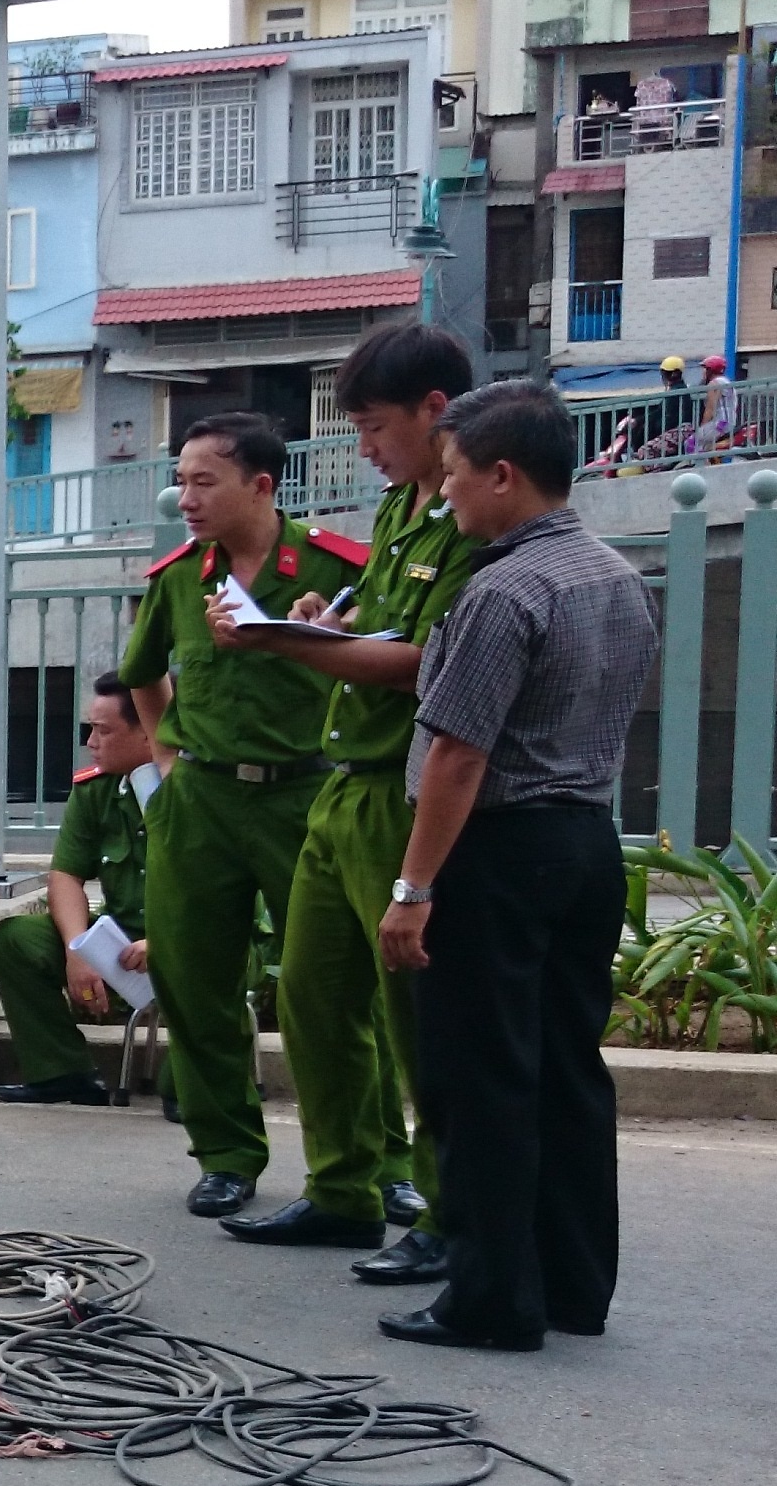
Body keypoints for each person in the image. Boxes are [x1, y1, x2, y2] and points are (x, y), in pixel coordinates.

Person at [374, 381, 658, 1352]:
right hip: (586, 841)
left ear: (502, 475)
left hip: (498, 850)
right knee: (568, 1067)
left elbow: (458, 753)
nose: (446, 496)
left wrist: (413, 889)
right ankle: (575, 1283)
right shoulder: (617, 577)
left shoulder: (501, 590)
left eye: (453, 479)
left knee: (481, 1073)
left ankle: (492, 1297)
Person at [205, 324, 478, 1282]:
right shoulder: (406, 506)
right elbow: (378, 613)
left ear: (434, 413)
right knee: (313, 995)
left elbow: (425, 666)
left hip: (399, 791)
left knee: (414, 1016)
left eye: (371, 426)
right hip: (342, 783)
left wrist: (281, 642)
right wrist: (327, 617)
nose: (360, 447)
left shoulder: (469, 516)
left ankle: (448, 1211)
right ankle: (341, 1190)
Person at [119, 413, 369, 1219]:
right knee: (195, 981)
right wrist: (163, 756)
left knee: (337, 988)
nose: (183, 498)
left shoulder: (336, 569)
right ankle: (225, 1153)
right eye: (180, 479)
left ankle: (376, 1160)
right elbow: (142, 676)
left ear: (261, 486)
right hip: (201, 799)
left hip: (304, 793)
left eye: (203, 482)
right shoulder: (176, 580)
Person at [0, 674, 156, 1106]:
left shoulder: (197, 790)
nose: (91, 742)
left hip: (194, 937)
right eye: (90, 729)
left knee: (208, 953)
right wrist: (77, 947)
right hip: (122, 936)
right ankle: (62, 1071)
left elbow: (220, 894)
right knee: (14, 939)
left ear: (150, 732)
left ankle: (193, 1090)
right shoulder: (97, 788)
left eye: (104, 730)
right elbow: (65, 876)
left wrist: (166, 940)